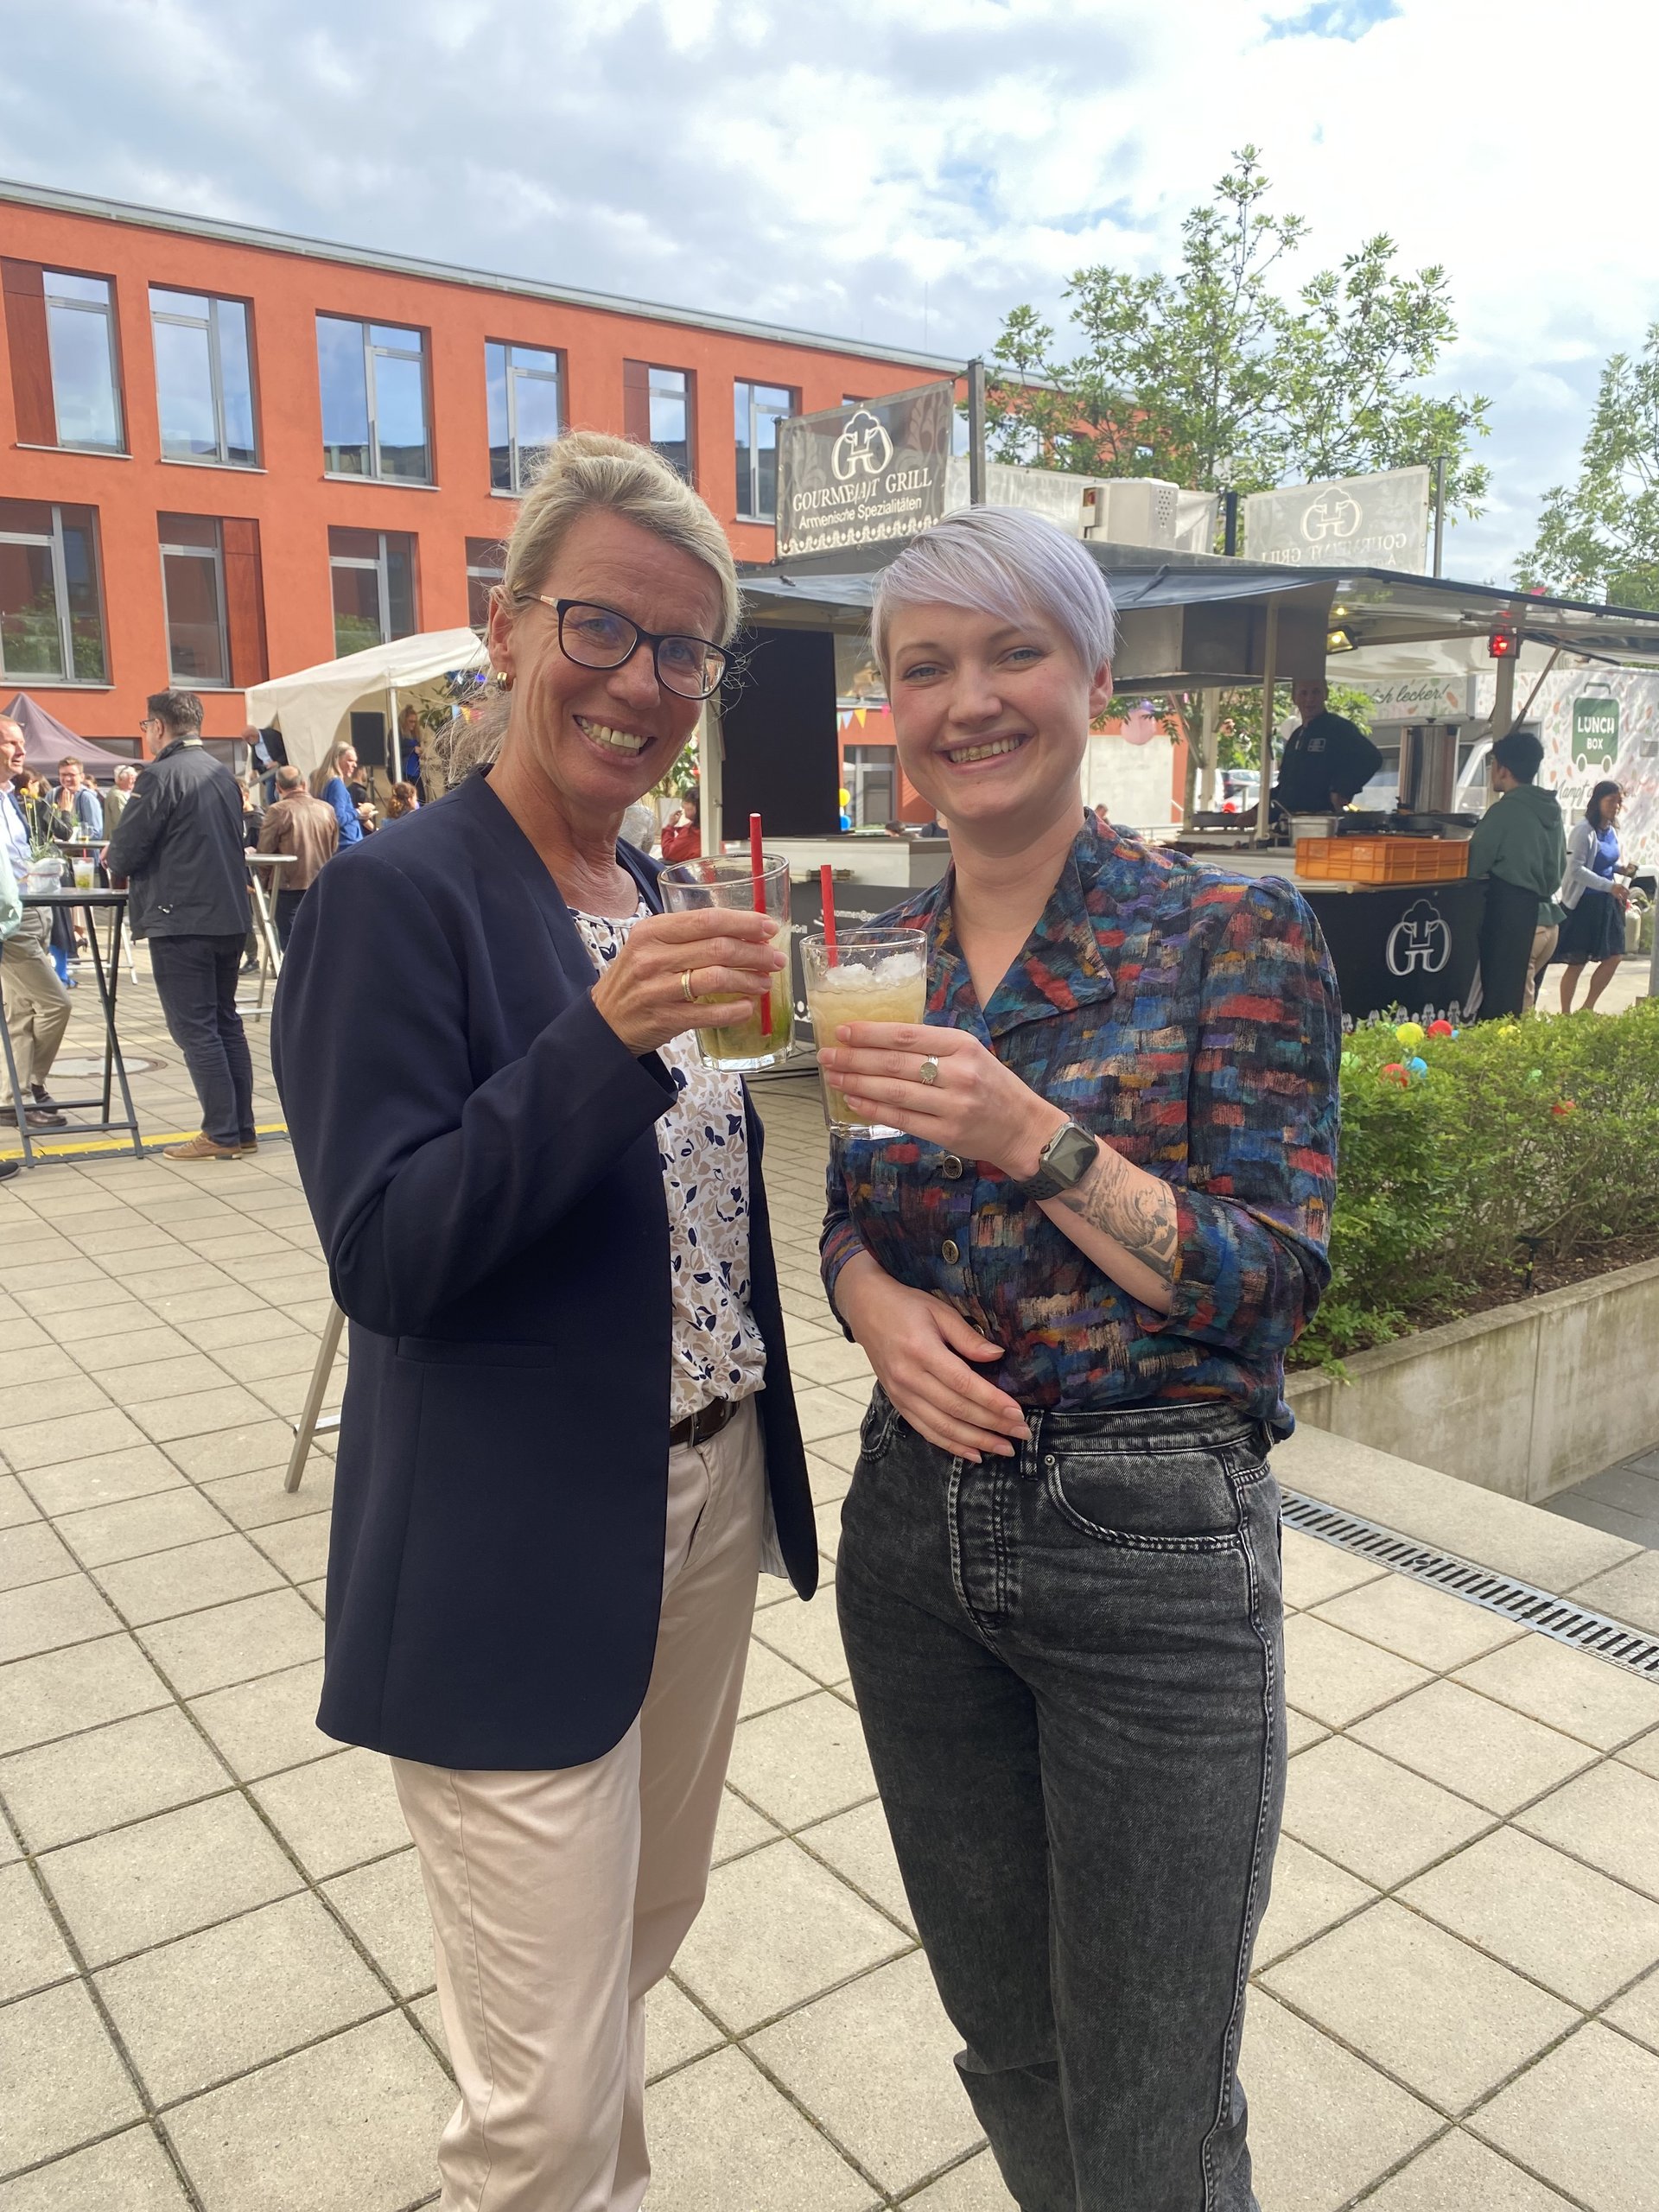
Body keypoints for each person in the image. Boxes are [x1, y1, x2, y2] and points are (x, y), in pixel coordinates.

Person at [271, 431, 817, 2211]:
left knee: (639, 1944)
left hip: (708, 1499)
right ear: (505, 633)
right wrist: (601, 1044)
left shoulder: (653, 893)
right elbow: (387, 1253)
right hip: (515, 1538)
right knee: (545, 2095)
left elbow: (696, 1213)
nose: (641, 681)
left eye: (683, 650)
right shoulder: (394, 896)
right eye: (600, 626)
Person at [814, 507, 1340, 2212]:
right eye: (925, 666)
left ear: (1095, 679)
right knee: (1011, 2045)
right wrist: (867, 1306)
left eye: (1011, 651)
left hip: (1152, 1556)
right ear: (891, 707)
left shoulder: (1226, 939)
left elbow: (1269, 1285)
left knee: (1151, 2104)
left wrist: (1033, 1131)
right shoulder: (880, 962)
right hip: (910, 1547)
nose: (969, 698)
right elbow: (848, 1217)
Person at [105, 692, 257, 1161]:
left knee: (196, 1028)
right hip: (229, 915)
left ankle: (221, 1131)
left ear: (157, 727)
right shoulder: (221, 776)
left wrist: (114, 862)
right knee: (225, 1021)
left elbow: (127, 850)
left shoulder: (159, 777)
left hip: (181, 916)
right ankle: (241, 1128)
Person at [1465, 728, 1567, 1020]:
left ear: (1503, 769)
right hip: (1549, 923)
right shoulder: (1551, 807)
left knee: (1507, 1021)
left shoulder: (1505, 811)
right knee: (1521, 1014)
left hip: (1519, 925)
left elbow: (1474, 864)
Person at [0, 720, 71, 1128]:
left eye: (21, 742)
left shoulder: (14, 797)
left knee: (21, 1011)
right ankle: (31, 1085)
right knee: (55, 1003)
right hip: (10, 920)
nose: (20, 750)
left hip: (36, 907)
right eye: (11, 743)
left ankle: (16, 1097)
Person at [1555, 779, 1636, 1013]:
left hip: (1606, 903)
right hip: (1583, 904)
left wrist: (1622, 869)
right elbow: (1576, 869)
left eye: (1619, 802)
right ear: (1597, 801)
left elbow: (1606, 862)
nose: (1616, 806)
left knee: (1615, 956)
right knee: (1577, 962)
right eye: (1611, 801)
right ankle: (1566, 1013)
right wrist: (1609, 886)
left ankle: (1587, 1008)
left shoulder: (1611, 831)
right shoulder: (1583, 830)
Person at [1271, 677, 1382, 815]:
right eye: (1303, 693)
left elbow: (1372, 757)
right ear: (1294, 698)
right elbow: (1285, 786)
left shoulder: (1338, 728)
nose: (1310, 699)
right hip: (1290, 819)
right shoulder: (1296, 735)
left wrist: (1342, 789)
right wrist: (1256, 811)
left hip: (1323, 818)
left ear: (1326, 694)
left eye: (1316, 692)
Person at [257, 765, 339, 947]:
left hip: (287, 884)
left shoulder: (278, 810)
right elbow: (333, 846)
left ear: (278, 787)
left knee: (292, 943)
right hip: (320, 881)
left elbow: (265, 851)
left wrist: (264, 881)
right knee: (318, 939)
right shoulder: (326, 809)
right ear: (303, 784)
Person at [312, 742, 365, 847]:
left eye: (355, 761)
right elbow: (338, 818)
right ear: (337, 760)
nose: (355, 765)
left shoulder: (323, 782)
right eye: (350, 761)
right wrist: (360, 811)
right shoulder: (336, 784)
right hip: (346, 843)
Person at [56, 758, 104, 839]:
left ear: (82, 777)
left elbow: (97, 832)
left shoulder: (87, 797)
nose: (67, 779)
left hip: (82, 850)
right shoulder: (52, 795)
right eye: (63, 775)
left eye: (72, 775)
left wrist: (69, 834)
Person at [659, 786, 700, 861]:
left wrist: (670, 826)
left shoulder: (691, 833)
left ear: (696, 807)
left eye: (687, 802)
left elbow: (667, 852)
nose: (683, 806)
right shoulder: (712, 828)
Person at [101, 762, 138, 836]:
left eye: (134, 778)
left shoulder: (122, 793)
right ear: (120, 779)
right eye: (131, 778)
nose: (134, 780)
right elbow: (123, 821)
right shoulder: (117, 796)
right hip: (119, 840)